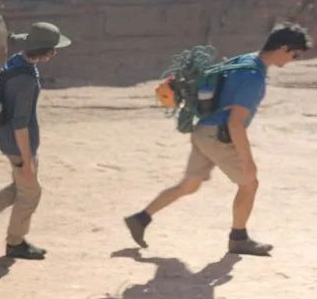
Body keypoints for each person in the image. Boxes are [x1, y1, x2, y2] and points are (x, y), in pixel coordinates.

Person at [124, 22, 313, 255]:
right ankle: (238, 239)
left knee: (189, 185)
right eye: (295, 54)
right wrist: (247, 160)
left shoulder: (244, 61)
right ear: (283, 48)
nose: (293, 58)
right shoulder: (253, 77)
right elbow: (235, 123)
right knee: (249, 183)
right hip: (217, 137)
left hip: (203, 131)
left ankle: (140, 219)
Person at [0, 22, 72, 260]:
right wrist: (28, 159)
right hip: (17, 142)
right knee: (31, 193)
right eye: (53, 48)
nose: (55, 52)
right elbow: (21, 123)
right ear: (44, 51)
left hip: (5, 136)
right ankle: (15, 243)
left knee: (19, 188)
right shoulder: (26, 82)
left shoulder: (16, 61)